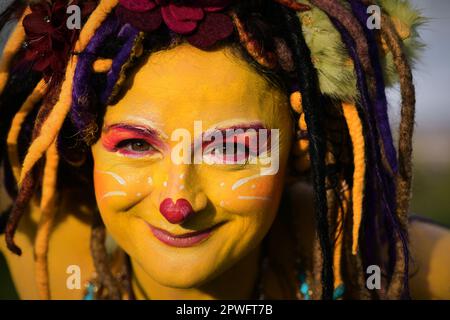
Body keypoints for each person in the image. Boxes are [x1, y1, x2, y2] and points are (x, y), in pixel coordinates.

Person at [0, 0, 449, 300]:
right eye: (137, 143)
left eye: (231, 149)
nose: (177, 202)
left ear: (301, 149)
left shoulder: (398, 265)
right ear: (86, 142)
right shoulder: (44, 258)